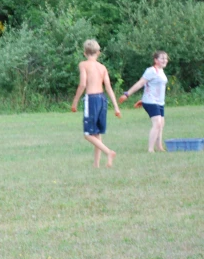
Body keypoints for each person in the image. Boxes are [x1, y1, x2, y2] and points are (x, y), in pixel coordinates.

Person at [71, 40, 121, 168]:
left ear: (84, 53)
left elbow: (82, 84)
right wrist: (116, 107)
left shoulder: (83, 65)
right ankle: (96, 164)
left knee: (88, 134)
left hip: (91, 99)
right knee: (97, 133)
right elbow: (108, 87)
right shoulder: (102, 67)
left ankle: (108, 152)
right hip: (102, 99)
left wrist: (75, 101)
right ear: (98, 52)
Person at [118, 51, 169, 152]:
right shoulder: (151, 71)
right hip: (150, 101)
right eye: (162, 58)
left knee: (161, 123)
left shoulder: (161, 71)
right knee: (157, 123)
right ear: (155, 60)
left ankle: (159, 147)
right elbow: (140, 83)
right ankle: (150, 149)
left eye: (166, 58)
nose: (164, 60)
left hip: (159, 102)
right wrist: (127, 94)